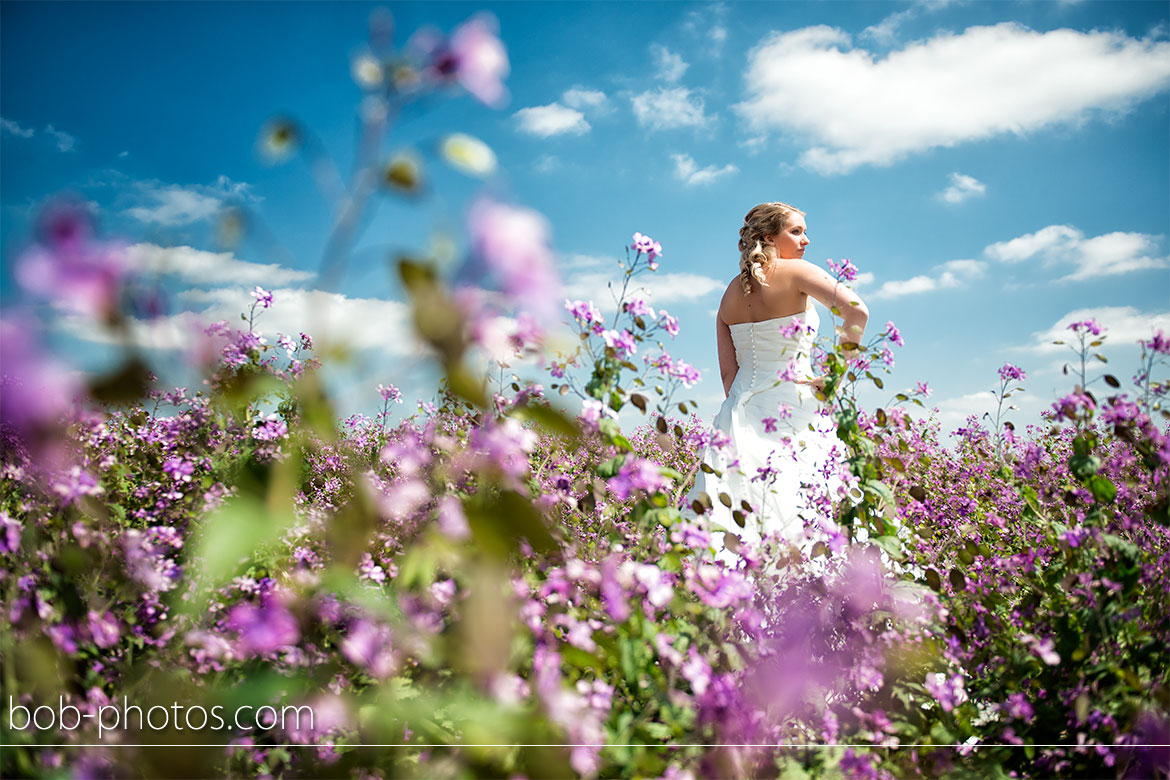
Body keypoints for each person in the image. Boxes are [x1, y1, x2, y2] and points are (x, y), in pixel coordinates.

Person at [686, 201, 869, 565]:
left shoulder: (729, 294)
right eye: (796, 231)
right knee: (807, 501)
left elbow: (728, 375)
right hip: (795, 406)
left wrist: (742, 410)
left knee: (738, 510)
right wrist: (834, 376)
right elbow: (856, 310)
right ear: (769, 237)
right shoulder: (797, 271)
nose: (806, 240)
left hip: (739, 414)